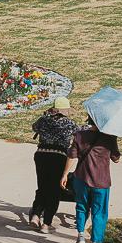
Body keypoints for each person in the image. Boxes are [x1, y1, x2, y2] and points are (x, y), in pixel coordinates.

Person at [60, 115, 121, 243]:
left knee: (81, 207)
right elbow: (116, 158)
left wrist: (64, 174)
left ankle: (81, 235)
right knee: (99, 212)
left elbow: (71, 156)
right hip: (101, 181)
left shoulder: (79, 135)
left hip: (81, 178)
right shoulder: (110, 138)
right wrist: (114, 141)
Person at [29, 96, 78, 233]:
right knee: (54, 190)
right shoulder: (70, 124)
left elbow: (34, 127)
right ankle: (46, 224)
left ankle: (35, 215)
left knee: (42, 186)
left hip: (41, 155)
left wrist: (46, 116)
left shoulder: (44, 120)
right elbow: (80, 133)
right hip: (58, 157)